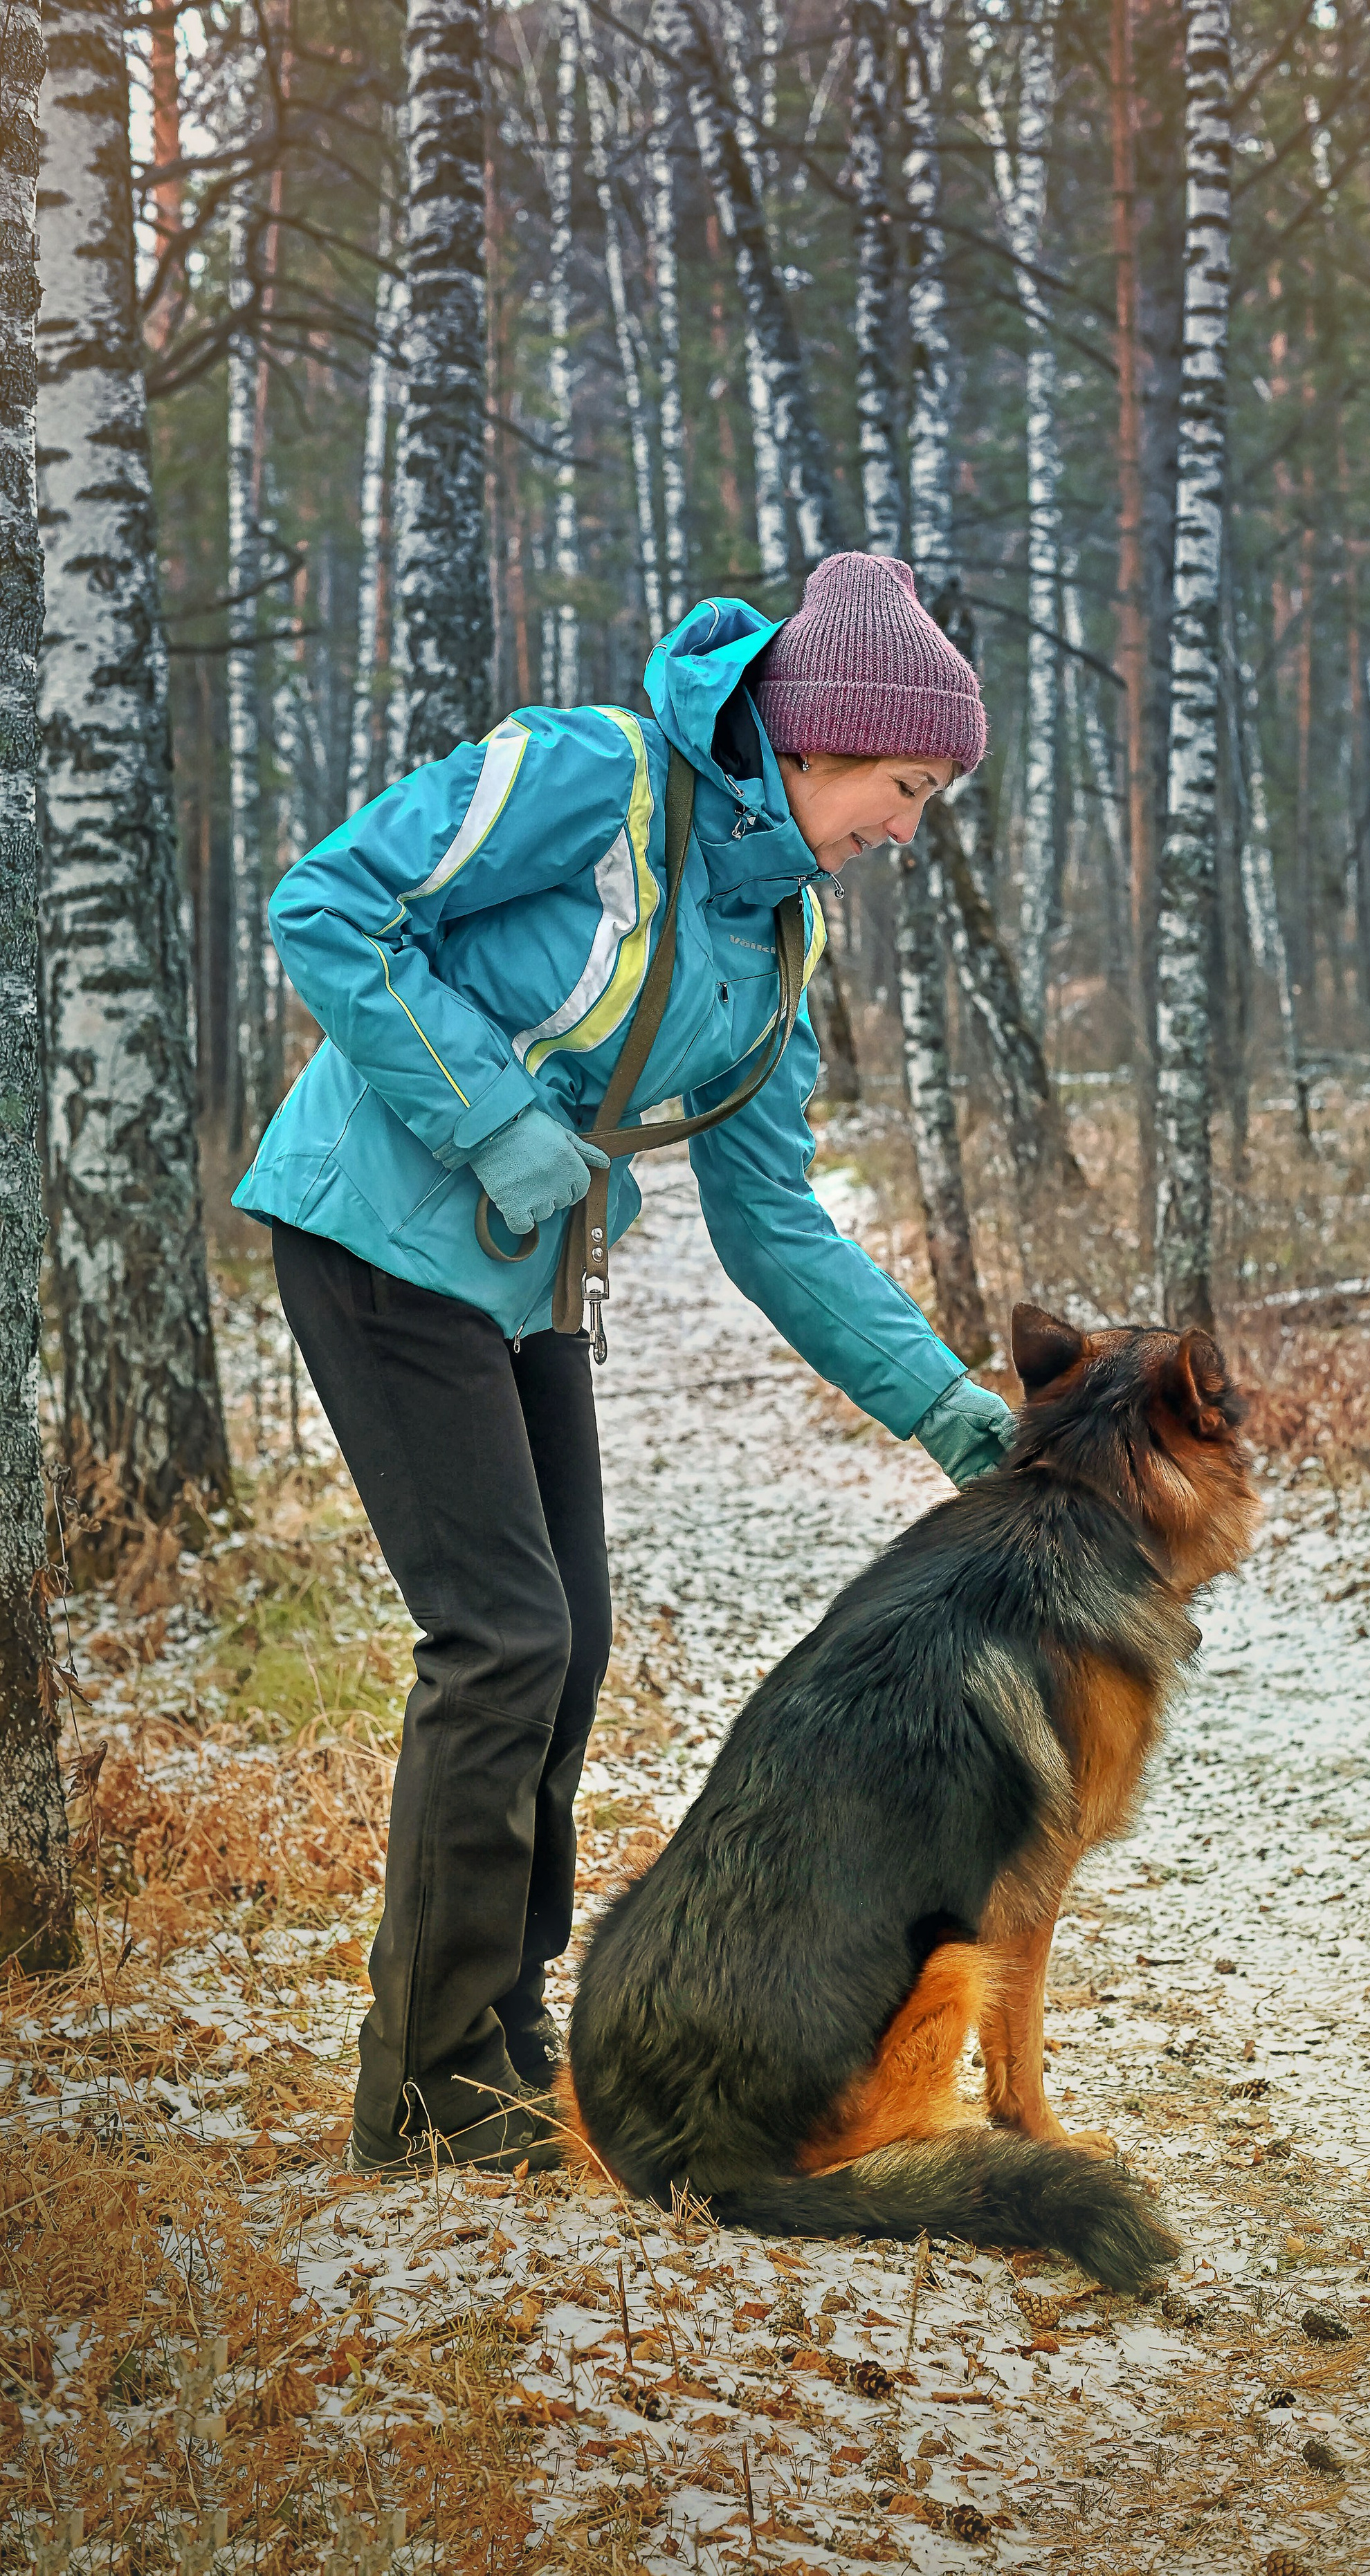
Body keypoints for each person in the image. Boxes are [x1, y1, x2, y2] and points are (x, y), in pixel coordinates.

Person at [234, 553, 1018, 2175]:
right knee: (503, 1633)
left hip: (522, 1274)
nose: (904, 826)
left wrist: (950, 1411)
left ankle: (497, 2041)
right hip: (370, 1223)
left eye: (928, 795)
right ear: (812, 740)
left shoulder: (780, 937)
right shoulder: (588, 777)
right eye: (902, 783)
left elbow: (776, 1223)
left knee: (566, 1639)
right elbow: (326, 901)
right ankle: (432, 2090)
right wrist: (493, 1116)